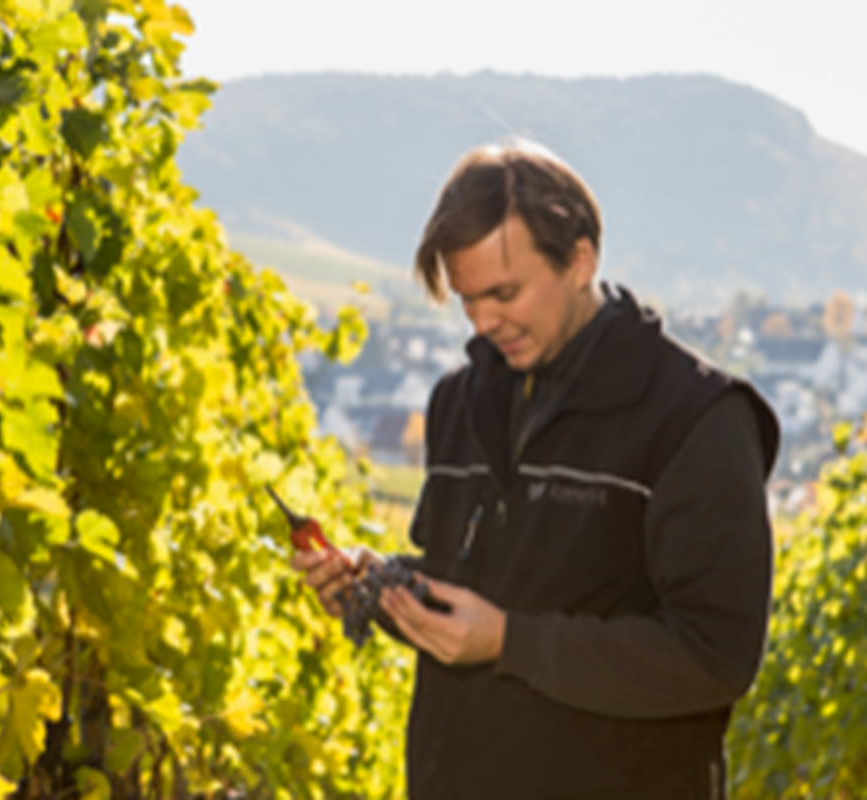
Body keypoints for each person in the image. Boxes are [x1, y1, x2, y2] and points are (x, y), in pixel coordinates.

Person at [294, 140, 780, 800]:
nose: (485, 320)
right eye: (468, 300)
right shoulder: (458, 403)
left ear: (580, 259)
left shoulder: (696, 417)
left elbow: (716, 655)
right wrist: (378, 587)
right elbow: (469, 598)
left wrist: (511, 643)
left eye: (504, 293)